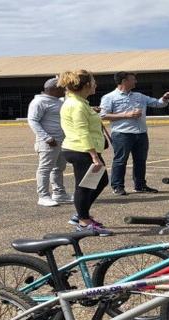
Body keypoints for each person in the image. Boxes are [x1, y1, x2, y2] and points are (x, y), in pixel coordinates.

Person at [100, 72, 169, 196]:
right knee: (120, 161)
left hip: (141, 134)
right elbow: (103, 115)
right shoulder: (110, 97)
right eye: (133, 79)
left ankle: (140, 185)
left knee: (140, 160)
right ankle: (117, 186)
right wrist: (126, 115)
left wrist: (165, 97)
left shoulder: (139, 96)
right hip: (122, 134)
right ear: (124, 81)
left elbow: (157, 103)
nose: (136, 82)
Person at [59, 69, 112, 235]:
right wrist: (94, 156)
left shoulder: (80, 103)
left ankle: (81, 214)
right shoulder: (76, 105)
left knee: (100, 181)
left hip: (83, 149)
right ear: (87, 85)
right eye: (94, 82)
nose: (96, 84)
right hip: (81, 150)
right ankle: (83, 222)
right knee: (84, 186)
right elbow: (82, 131)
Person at [26, 78, 70, 207]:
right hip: (48, 142)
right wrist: (47, 138)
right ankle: (43, 196)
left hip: (62, 141)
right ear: (53, 89)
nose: (65, 91)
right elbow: (33, 121)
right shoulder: (39, 102)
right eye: (62, 88)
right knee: (45, 168)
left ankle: (59, 193)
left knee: (59, 168)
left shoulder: (59, 101)